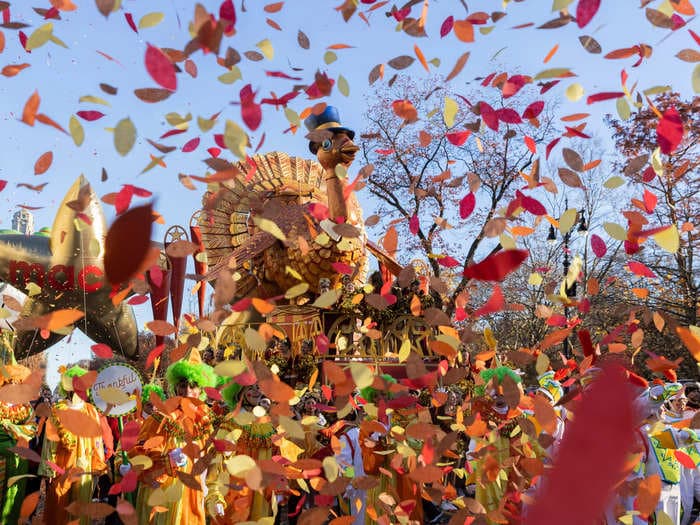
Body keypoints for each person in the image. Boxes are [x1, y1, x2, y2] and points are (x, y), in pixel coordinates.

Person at [131, 352, 215, 525]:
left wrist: (210, 488)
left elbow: (212, 460)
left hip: (192, 497)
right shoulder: (161, 417)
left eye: (193, 386)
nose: (188, 391)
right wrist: (165, 459)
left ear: (201, 389)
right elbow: (138, 453)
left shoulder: (206, 421)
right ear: (176, 387)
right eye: (183, 385)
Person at [39, 365, 109, 525]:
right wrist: (48, 470)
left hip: (85, 468)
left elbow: (97, 441)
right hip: (62, 466)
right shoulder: (57, 411)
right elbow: (49, 442)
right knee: (59, 506)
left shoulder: (91, 411)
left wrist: (97, 466)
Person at [205, 381, 277, 523]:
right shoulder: (232, 421)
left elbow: (275, 457)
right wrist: (215, 493)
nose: (256, 391)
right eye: (251, 388)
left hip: (261, 493)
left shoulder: (267, 424)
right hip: (237, 491)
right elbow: (217, 459)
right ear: (240, 394)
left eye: (258, 387)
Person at [0, 362, 36, 523]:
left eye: (17, 382)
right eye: (10, 381)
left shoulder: (25, 407)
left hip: (18, 459)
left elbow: (32, 427)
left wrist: (14, 430)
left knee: (13, 494)